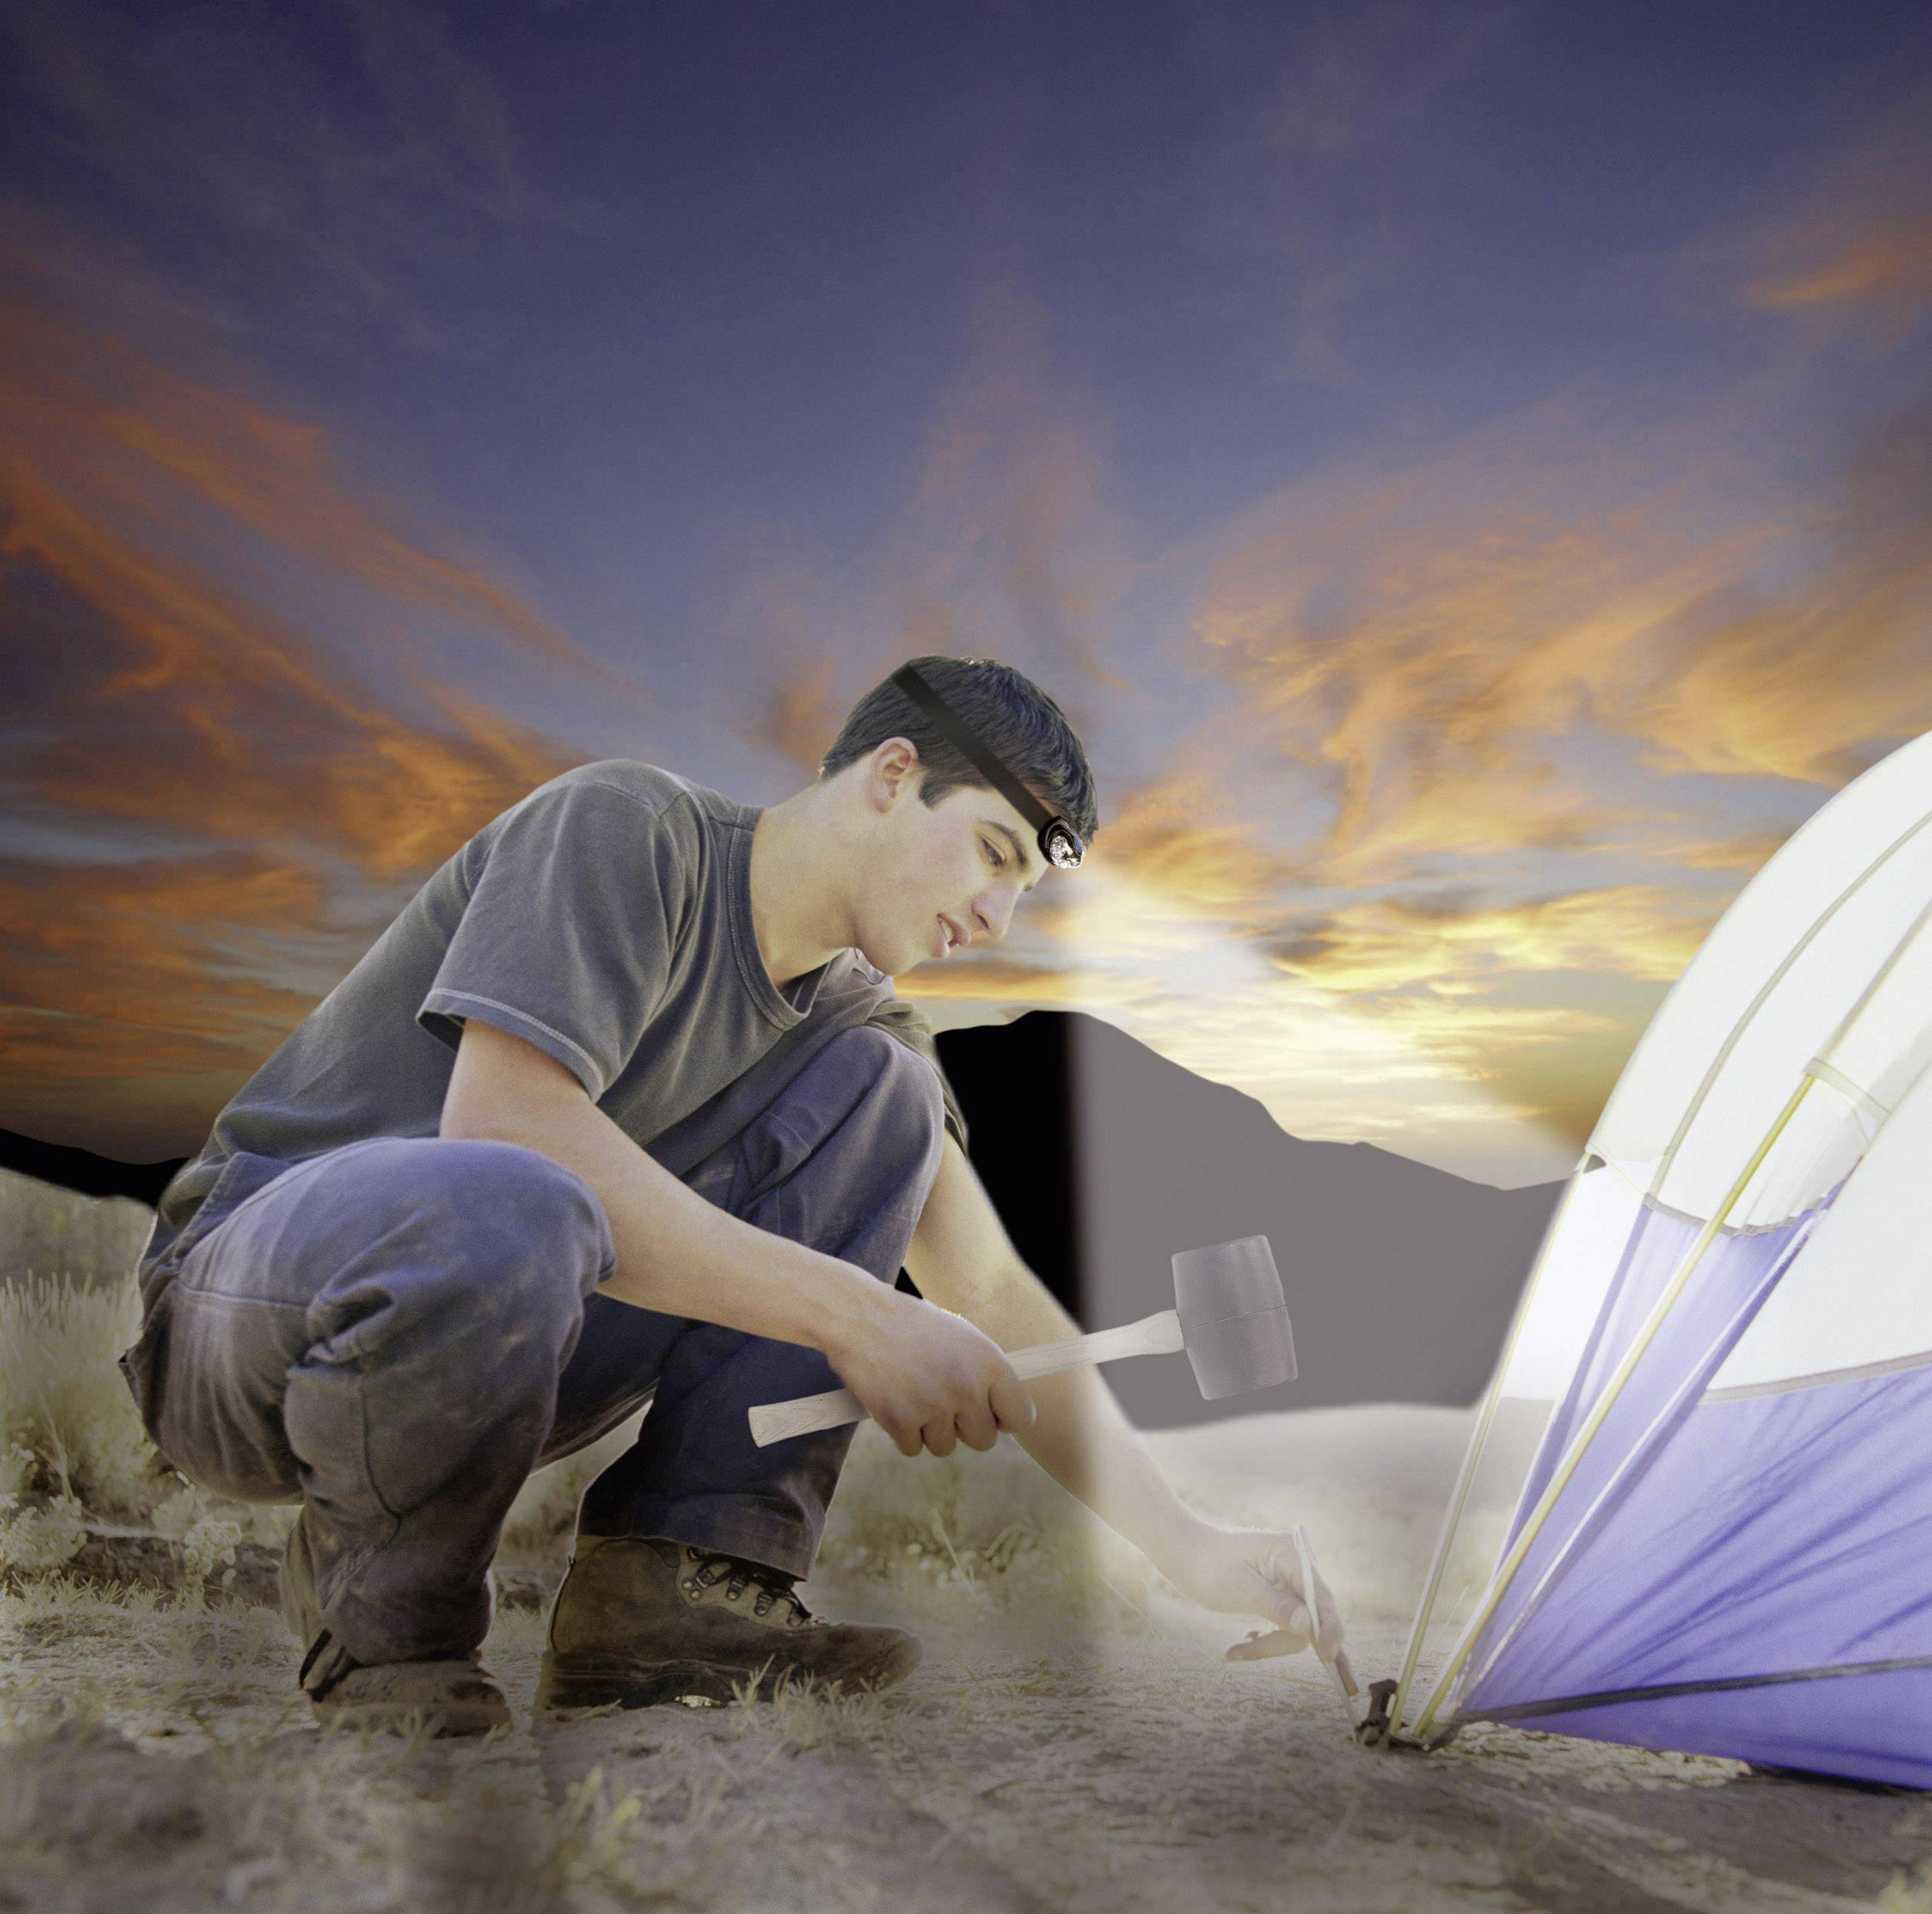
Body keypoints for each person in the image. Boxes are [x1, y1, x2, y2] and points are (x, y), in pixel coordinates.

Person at [120, 654, 1345, 1736]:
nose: (1000, 911)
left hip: (513, 1337)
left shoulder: (858, 1022)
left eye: (1027, 884)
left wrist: (1189, 1543)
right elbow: (505, 1127)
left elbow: (987, 1288)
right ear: (891, 771)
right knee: (519, 1192)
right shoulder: (627, 827)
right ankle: (383, 1622)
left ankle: (673, 1593)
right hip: (255, 1318)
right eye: (993, 851)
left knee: (892, 1101)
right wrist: (858, 1318)